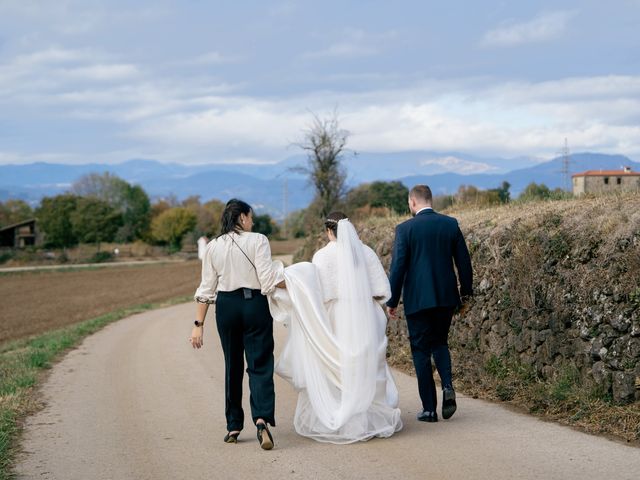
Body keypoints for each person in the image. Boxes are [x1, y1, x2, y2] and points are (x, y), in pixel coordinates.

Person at [271, 212, 402, 443]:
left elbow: (314, 291)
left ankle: (344, 417)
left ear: (329, 231)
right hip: (366, 315)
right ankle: (371, 417)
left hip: (336, 316)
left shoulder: (322, 256)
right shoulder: (366, 252)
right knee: (367, 364)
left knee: (340, 366)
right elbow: (383, 290)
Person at [191, 199, 285, 450]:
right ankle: (262, 419)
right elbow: (267, 280)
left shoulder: (213, 247)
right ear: (242, 218)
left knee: (232, 365)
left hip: (227, 307)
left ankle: (233, 424)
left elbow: (206, 288)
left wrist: (198, 324)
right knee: (260, 364)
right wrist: (296, 284)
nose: (252, 221)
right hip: (254, 305)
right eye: (250, 216)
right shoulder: (258, 240)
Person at [387, 185, 473, 423]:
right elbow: (464, 264)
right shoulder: (450, 224)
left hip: (417, 301)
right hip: (446, 298)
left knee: (421, 350)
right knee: (440, 342)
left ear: (412, 202)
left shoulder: (405, 229)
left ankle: (429, 409)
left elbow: (398, 269)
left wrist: (391, 301)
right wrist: (466, 294)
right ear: (430, 200)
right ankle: (447, 385)